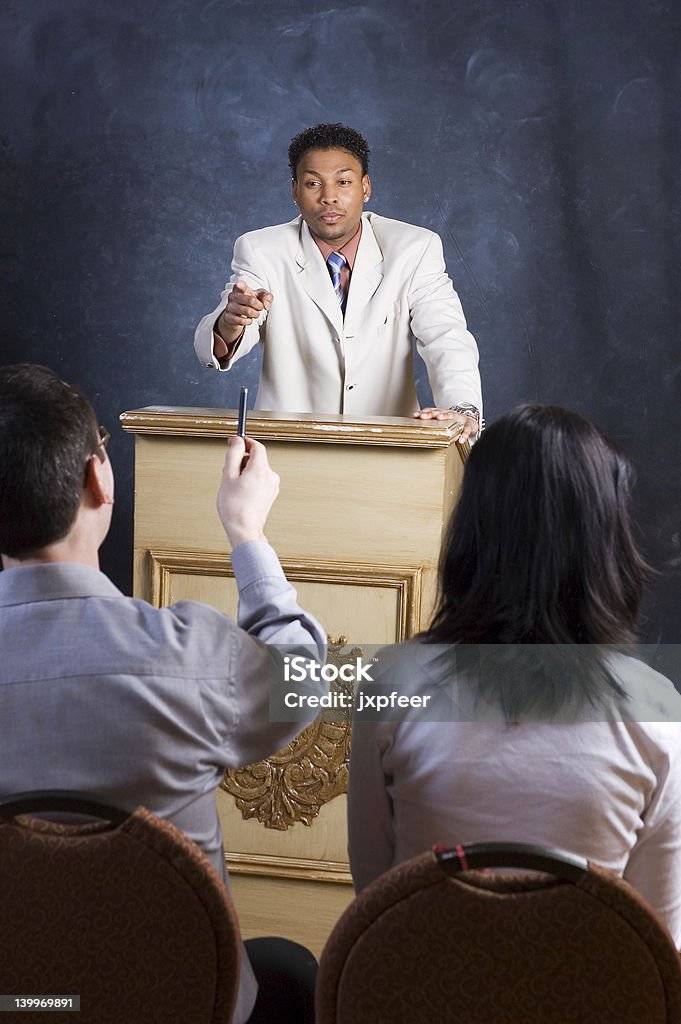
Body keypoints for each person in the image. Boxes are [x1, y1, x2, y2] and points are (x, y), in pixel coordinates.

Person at [0, 363, 328, 1024]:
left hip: (24, 1004)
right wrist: (247, 535)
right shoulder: (188, 658)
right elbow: (301, 677)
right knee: (290, 971)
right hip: (178, 1004)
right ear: (100, 478)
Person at [347, 403, 681, 943]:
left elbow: (375, 896)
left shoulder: (392, 682)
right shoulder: (659, 711)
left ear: (473, 532)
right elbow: (660, 943)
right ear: (604, 541)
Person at [194, 123, 482, 442]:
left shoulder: (414, 248)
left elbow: (446, 334)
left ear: (365, 187)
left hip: (388, 446)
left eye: (343, 182)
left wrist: (462, 408)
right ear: (294, 191)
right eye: (313, 183)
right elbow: (226, 334)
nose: (329, 197)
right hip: (290, 447)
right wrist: (232, 323)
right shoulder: (262, 250)